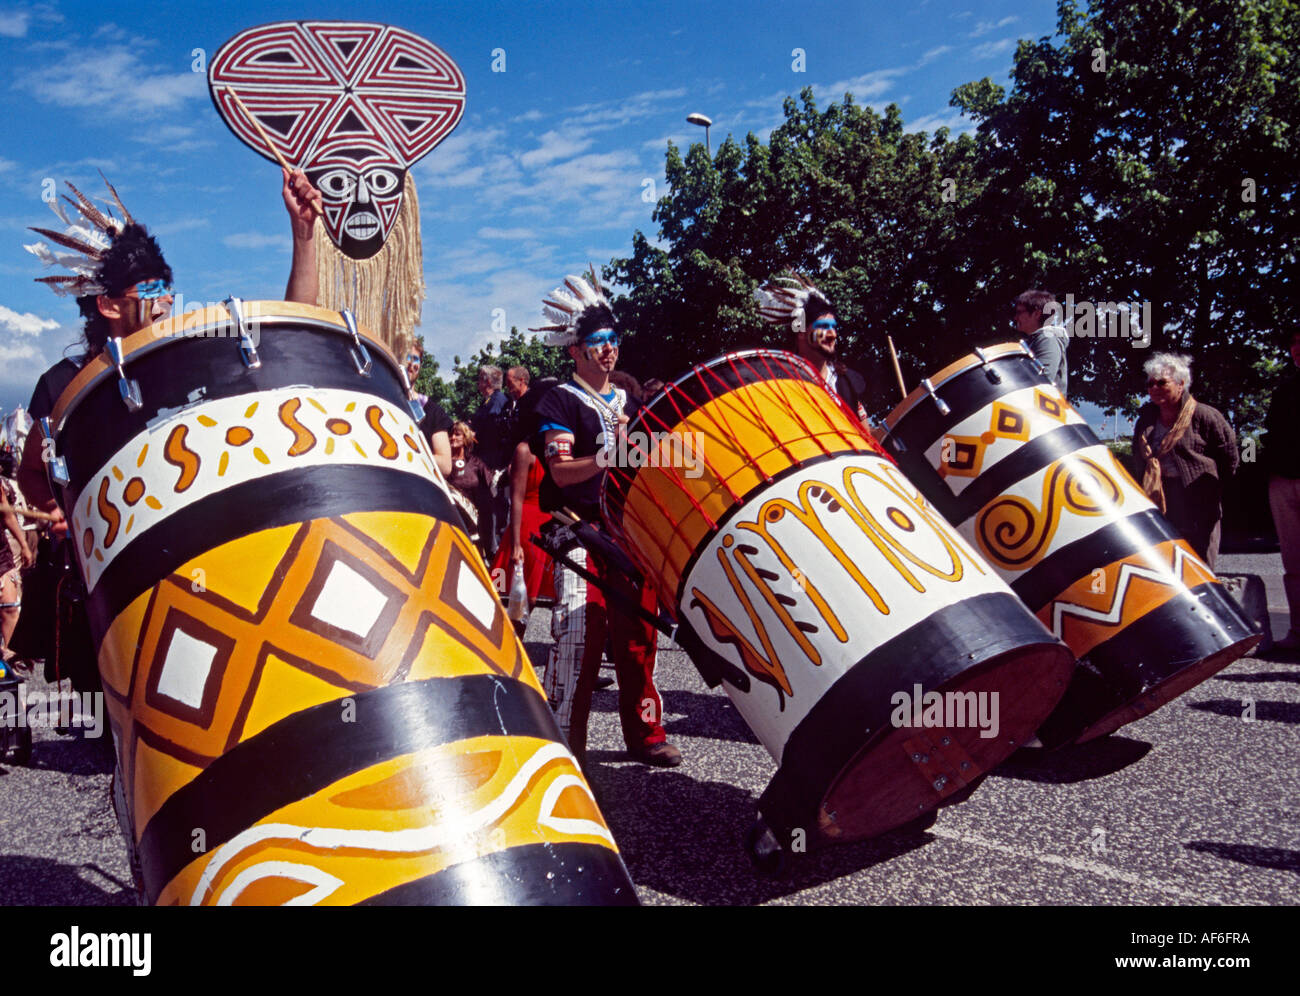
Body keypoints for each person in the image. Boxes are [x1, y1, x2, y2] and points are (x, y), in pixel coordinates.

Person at [17, 170, 322, 692]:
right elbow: (32, 476)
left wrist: (303, 238)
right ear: (109, 304)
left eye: (167, 287)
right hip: (118, 601)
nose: (164, 301)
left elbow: (293, 335)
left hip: (206, 584)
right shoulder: (64, 389)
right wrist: (59, 512)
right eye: (151, 290)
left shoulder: (188, 361)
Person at [531, 271, 678, 768]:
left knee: (639, 638)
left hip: (627, 531)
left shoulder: (631, 403)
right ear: (575, 349)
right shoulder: (558, 400)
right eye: (597, 341)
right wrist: (605, 457)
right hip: (578, 526)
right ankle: (565, 747)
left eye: (614, 340)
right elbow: (560, 472)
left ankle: (646, 733)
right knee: (576, 634)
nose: (609, 349)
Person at [1133, 353, 1238, 569]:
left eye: (1161, 382)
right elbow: (1137, 459)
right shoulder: (1145, 420)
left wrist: (1214, 489)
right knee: (1165, 561)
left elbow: (1229, 455)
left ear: (1181, 384)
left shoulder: (1205, 415)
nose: (1154, 388)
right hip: (1160, 497)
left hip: (1197, 497)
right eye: (1150, 383)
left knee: (1200, 562)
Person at [754, 272, 869, 422]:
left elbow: (867, 436)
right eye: (823, 327)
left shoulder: (846, 381)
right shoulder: (783, 383)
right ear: (801, 332)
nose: (832, 335)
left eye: (833, 328)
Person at [491, 377, 559, 625]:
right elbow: (516, 499)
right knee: (511, 593)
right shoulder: (524, 450)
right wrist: (516, 543)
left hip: (549, 526)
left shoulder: (558, 448)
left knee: (541, 595)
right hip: (526, 526)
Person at [1263, 330, 1300, 651]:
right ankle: (1298, 631)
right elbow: (1271, 434)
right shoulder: (1285, 391)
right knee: (1293, 562)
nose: (1297, 350)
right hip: (1284, 481)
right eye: (1294, 344)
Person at [446, 421, 495, 557]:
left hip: (477, 523)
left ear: (465, 438)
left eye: (457, 434)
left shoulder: (475, 462)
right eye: (451, 435)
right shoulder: (445, 465)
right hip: (456, 520)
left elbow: (491, 484)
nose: (452, 438)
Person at [1012, 289, 1069, 395]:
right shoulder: (1033, 341)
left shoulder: (1047, 338)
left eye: (1019, 312)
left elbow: (1042, 382)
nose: (1015, 318)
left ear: (1036, 314)